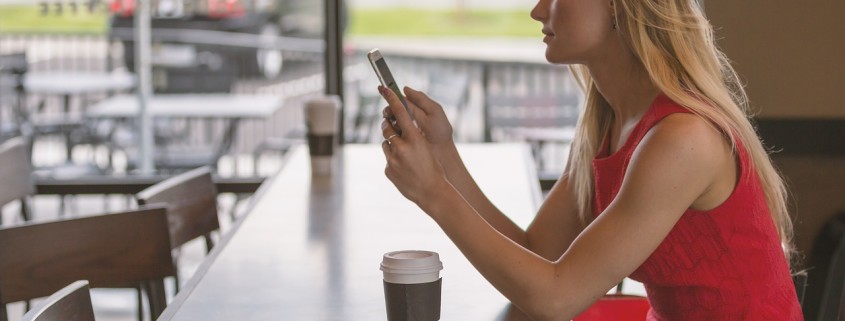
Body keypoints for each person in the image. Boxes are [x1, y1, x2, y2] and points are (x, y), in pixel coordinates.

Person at [377, 0, 803, 320]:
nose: (538, 10)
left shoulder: (683, 139)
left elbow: (555, 297)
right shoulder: (609, 125)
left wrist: (433, 193)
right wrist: (444, 158)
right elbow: (537, 252)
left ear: (619, 7)